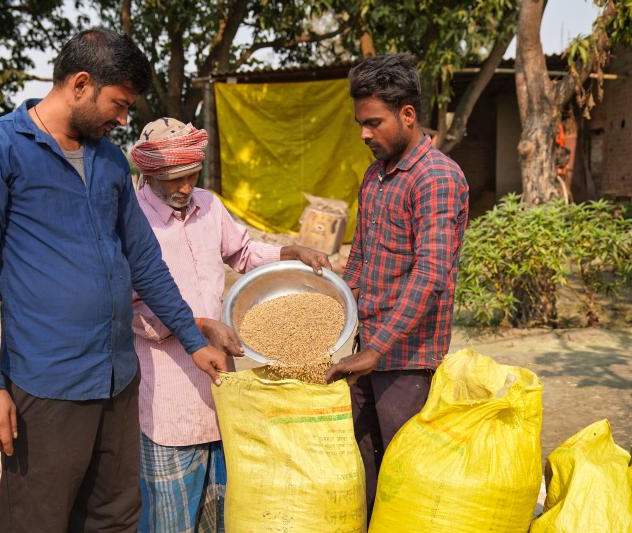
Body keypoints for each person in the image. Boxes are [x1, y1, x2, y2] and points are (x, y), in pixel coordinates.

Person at [0, 29, 229, 533]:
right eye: (119, 104)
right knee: (38, 520)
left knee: (115, 516)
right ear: (80, 84)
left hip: (118, 380)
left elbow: (144, 260)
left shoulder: (107, 160)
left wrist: (191, 339)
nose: (123, 120)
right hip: (48, 384)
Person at [129, 117, 331, 532]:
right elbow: (131, 310)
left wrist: (289, 251)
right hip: (168, 404)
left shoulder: (209, 205)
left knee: (219, 520)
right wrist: (202, 325)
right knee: (170, 524)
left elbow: (241, 252)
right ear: (148, 174)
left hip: (222, 398)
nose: (184, 187)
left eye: (190, 176)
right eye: (173, 180)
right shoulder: (132, 220)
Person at [325, 54, 470, 522]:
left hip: (407, 362)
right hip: (365, 349)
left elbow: (431, 274)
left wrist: (377, 349)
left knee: (405, 474)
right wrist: (338, 320)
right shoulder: (376, 175)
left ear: (407, 114)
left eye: (374, 122)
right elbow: (362, 258)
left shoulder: (438, 177)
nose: (364, 134)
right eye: (360, 123)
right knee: (360, 461)